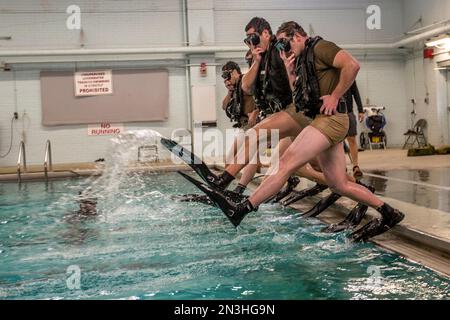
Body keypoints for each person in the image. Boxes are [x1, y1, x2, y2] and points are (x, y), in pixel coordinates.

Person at [195, 21, 404, 242]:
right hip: (321, 119)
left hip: (331, 120)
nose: (283, 49)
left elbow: (352, 65)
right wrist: (288, 68)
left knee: (285, 163)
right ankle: (389, 212)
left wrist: (335, 95)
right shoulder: (301, 59)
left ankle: (243, 208)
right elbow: (298, 92)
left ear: (296, 36)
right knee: (337, 183)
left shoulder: (321, 47)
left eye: (284, 43)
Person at [221, 60, 261, 194]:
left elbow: (261, 96)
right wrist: (229, 91)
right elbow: (224, 106)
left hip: (255, 125)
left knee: (250, 158)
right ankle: (226, 187)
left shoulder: (246, 81)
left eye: (228, 75)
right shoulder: (234, 88)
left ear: (234, 72)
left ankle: (239, 188)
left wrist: (256, 112)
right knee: (231, 158)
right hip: (244, 126)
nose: (226, 79)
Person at [344, 81, 365, 178]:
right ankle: (341, 167)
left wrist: (360, 110)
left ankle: (356, 166)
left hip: (348, 112)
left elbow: (356, 93)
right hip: (334, 113)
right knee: (337, 143)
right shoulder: (330, 74)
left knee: (352, 139)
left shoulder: (349, 76)